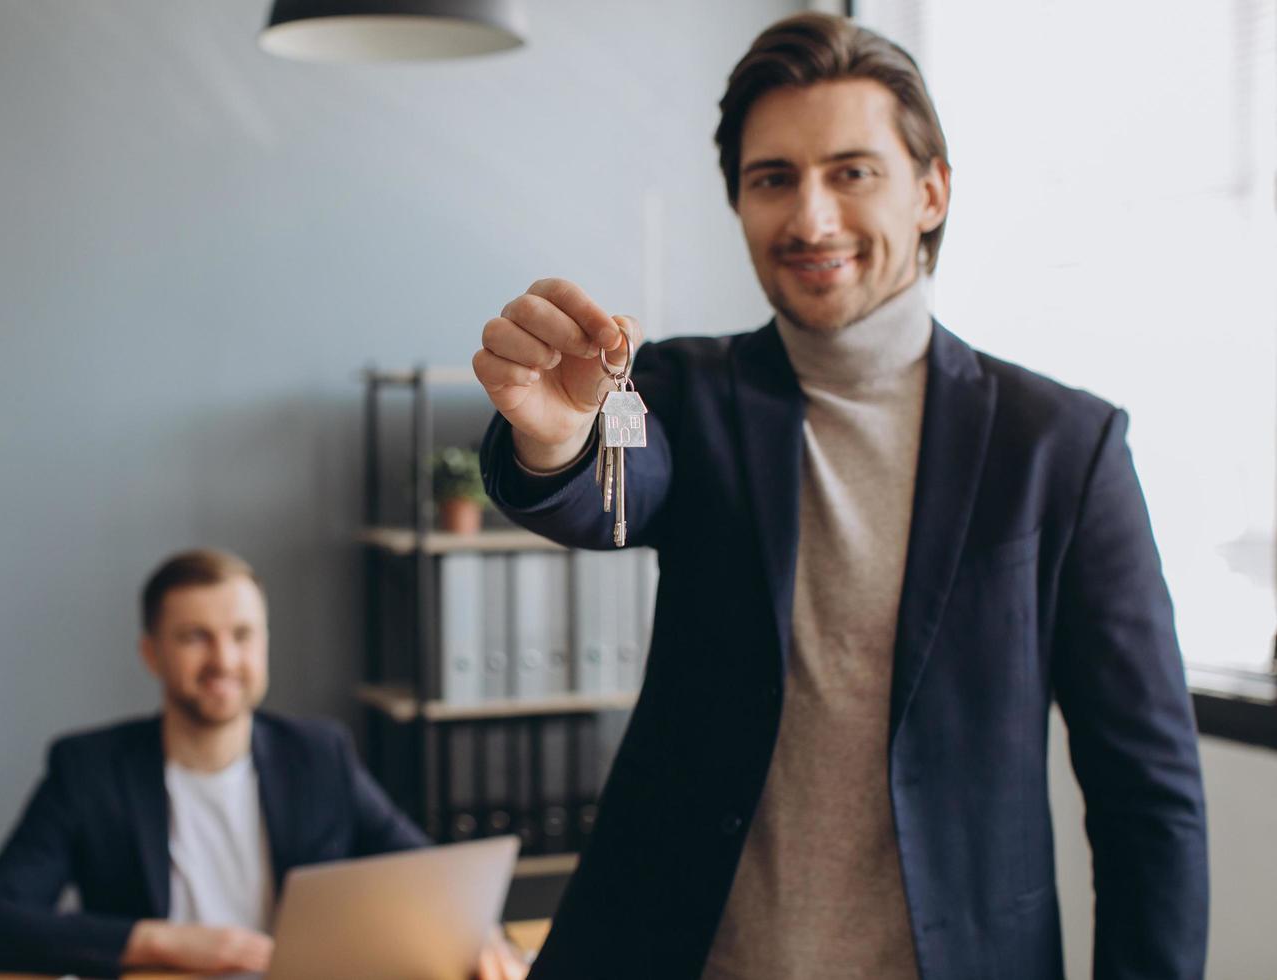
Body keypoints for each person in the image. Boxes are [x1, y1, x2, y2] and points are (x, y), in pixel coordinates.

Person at [472, 12, 1207, 980]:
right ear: (738, 201)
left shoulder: (1062, 447)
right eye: (773, 178)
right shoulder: (687, 391)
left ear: (931, 191)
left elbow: (1145, 795)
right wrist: (556, 434)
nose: (810, 218)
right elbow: (609, 494)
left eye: (851, 172)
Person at [0, 549, 523, 979]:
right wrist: (166, 942)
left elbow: (425, 875)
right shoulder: (88, 770)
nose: (223, 660)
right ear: (151, 653)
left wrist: (479, 934)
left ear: (264, 644)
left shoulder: (318, 754)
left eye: (242, 635)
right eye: (194, 638)